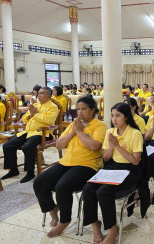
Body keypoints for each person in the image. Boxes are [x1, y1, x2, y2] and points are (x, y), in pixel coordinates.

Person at [33, 96, 107, 237]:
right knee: (39, 183)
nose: (80, 112)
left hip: (88, 164)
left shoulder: (100, 125)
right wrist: (73, 130)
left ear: (93, 110)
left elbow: (94, 146)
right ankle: (53, 210)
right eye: (78, 109)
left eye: (84, 109)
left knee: (62, 186)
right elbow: (59, 145)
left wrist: (79, 132)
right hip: (66, 162)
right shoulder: (75, 124)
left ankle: (64, 221)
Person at [82, 103, 143, 244]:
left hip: (129, 170)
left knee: (103, 192)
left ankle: (112, 229)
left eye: (118, 116)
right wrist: (111, 146)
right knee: (88, 189)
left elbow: (135, 161)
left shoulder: (135, 133)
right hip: (112, 168)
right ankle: (95, 224)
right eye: (112, 115)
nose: (114, 119)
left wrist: (117, 146)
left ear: (126, 117)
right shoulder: (111, 132)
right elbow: (106, 158)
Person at [2, 87, 59, 183]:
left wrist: (35, 114)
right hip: (28, 131)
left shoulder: (52, 106)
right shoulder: (35, 105)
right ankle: (13, 170)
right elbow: (24, 118)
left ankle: (30, 172)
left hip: (42, 133)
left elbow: (49, 121)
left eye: (41, 93)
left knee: (28, 146)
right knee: (7, 146)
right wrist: (30, 115)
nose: (38, 95)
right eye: (39, 93)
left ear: (48, 95)